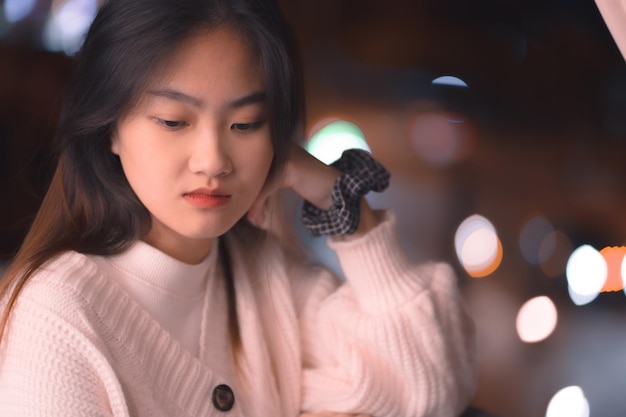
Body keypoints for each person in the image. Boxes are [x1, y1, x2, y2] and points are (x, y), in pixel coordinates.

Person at [0, 0, 477, 416]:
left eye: (246, 124)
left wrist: (344, 204)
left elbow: (431, 389)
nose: (213, 162)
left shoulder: (269, 279)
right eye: (173, 121)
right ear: (110, 128)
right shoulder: (58, 317)